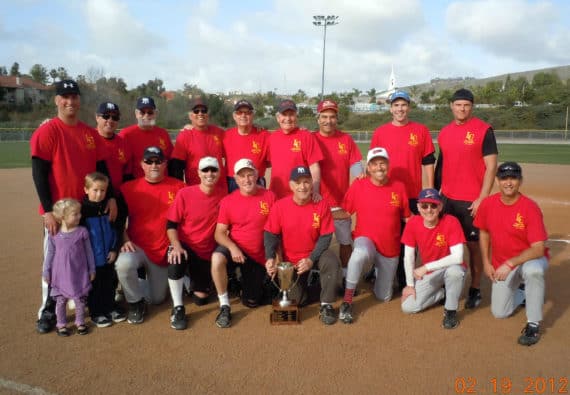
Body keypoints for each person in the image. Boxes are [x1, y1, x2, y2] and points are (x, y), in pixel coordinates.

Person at [30, 79, 115, 334]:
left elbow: (101, 169)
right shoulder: (48, 131)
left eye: (74, 96)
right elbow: (39, 173)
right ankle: (47, 309)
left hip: (86, 209)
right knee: (55, 261)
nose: (70, 101)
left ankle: (84, 299)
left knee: (84, 259)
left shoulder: (89, 133)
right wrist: (47, 211)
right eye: (64, 96)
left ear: (79, 100)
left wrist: (110, 196)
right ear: (57, 100)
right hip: (60, 212)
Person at [474, 162, 549, 346]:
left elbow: (539, 248)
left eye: (513, 178)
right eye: (504, 178)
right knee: (500, 312)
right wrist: (486, 262)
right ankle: (523, 291)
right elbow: (483, 232)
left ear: (520, 181)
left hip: (530, 259)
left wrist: (510, 264)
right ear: (497, 181)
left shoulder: (530, 208)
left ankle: (533, 324)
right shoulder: (488, 204)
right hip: (502, 263)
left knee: (533, 272)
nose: (509, 182)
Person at [435, 88, 498, 310]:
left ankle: (475, 288)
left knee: (474, 247)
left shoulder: (483, 130)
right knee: (445, 244)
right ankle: (444, 286)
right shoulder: (444, 132)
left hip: (472, 201)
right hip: (448, 199)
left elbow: (491, 166)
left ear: (472, 107)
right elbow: (440, 166)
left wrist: (482, 198)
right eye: (458, 104)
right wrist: (436, 194)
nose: (462, 108)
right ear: (451, 106)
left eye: (467, 105)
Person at [336, 147, 411, 324]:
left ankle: (376, 272)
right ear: (368, 168)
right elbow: (346, 212)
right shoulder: (359, 185)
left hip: (389, 248)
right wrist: (320, 212)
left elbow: (407, 217)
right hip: (366, 240)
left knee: (383, 296)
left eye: (383, 163)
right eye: (375, 164)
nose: (379, 167)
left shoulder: (398, 187)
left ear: (388, 165)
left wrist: (431, 225)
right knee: (359, 254)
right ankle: (347, 300)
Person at [370, 90, 436, 290]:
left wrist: (431, 190)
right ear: (390, 108)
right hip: (385, 192)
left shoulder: (421, 130)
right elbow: (372, 163)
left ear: (409, 107)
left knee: (409, 238)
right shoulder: (380, 132)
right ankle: (378, 270)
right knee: (386, 232)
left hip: (412, 193)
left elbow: (428, 162)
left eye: (403, 105)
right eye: (396, 105)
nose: (400, 109)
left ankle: (404, 276)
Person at [115, 147, 184, 324]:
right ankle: (135, 303)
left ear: (165, 164)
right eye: (149, 161)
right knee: (123, 264)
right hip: (136, 246)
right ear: (141, 164)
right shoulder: (128, 188)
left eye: (158, 161)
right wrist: (124, 238)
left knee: (158, 299)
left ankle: (138, 283)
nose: (154, 165)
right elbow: (117, 220)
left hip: (161, 250)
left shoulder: (178, 187)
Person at [264, 166, 340, 325]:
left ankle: (326, 305)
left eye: (306, 181)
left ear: (312, 183)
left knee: (331, 260)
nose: (303, 186)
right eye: (298, 182)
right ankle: (324, 286)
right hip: (290, 261)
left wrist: (311, 259)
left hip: (314, 255)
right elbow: (270, 234)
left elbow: (326, 237)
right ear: (291, 185)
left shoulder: (321, 205)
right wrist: (270, 258)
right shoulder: (280, 206)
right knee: (299, 299)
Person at [211, 158, 276, 328]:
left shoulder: (269, 196)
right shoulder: (228, 201)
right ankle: (224, 305)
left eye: (250, 174)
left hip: (258, 255)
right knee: (217, 258)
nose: (246, 180)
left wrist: (275, 256)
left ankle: (241, 281)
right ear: (235, 179)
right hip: (237, 249)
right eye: (242, 176)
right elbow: (219, 233)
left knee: (252, 301)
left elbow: (277, 230)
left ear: (256, 175)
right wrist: (232, 247)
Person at [166, 156, 226, 330]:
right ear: (198, 173)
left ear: (219, 173)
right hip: (186, 246)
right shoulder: (185, 193)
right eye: (205, 170)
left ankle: (187, 279)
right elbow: (171, 225)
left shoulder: (223, 194)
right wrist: (176, 244)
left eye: (213, 170)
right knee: (175, 256)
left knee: (201, 299)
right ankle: (178, 307)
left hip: (206, 251)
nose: (209, 173)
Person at [400, 188, 466, 329]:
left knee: (454, 272)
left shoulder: (451, 221)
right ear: (418, 207)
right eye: (424, 205)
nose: (429, 210)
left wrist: (426, 267)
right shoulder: (413, 223)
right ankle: (441, 294)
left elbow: (458, 257)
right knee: (408, 307)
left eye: (433, 205)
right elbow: (409, 256)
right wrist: (410, 285)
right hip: (432, 274)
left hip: (451, 268)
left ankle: (450, 311)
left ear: (440, 206)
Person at [313, 99, 364, 269]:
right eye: (324, 116)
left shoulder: (345, 139)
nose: (328, 120)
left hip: (340, 204)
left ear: (337, 118)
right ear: (318, 119)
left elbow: (356, 165)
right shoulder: (310, 139)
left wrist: (361, 178)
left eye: (332, 116)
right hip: (315, 202)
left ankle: (345, 276)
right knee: (314, 243)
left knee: (345, 242)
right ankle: (314, 276)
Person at [42, 198, 96, 336]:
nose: (80, 216)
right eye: (75, 214)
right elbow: (50, 254)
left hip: (79, 273)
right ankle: (61, 324)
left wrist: (92, 269)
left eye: (79, 213)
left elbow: (89, 252)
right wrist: (46, 271)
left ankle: (80, 322)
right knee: (60, 301)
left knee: (80, 300)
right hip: (60, 274)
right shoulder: (54, 235)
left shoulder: (82, 232)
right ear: (62, 217)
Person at [81, 172, 126, 327]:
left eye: (103, 191)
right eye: (95, 190)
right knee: (94, 285)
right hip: (91, 258)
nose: (99, 194)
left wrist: (114, 249)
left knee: (109, 281)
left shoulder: (109, 207)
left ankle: (110, 306)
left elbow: (117, 230)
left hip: (108, 254)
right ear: (86, 189)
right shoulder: (82, 211)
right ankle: (96, 312)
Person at [268, 99, 323, 200]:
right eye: (284, 114)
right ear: (278, 118)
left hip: (300, 195)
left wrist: (315, 190)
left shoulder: (306, 136)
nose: (288, 118)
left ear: (296, 116)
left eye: (291, 114)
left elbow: (314, 167)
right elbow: (267, 163)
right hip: (277, 195)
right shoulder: (272, 138)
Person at [169, 97, 227, 191]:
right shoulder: (185, 136)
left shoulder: (219, 133)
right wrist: (180, 191)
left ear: (208, 114)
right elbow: (176, 168)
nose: (200, 113)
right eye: (196, 111)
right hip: (196, 191)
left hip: (220, 191)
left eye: (204, 111)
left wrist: (254, 128)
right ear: (190, 116)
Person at [120, 96, 173, 179]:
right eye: (142, 112)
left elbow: (170, 161)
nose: (146, 115)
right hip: (137, 185)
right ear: (136, 114)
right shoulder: (126, 134)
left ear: (155, 114)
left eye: (150, 112)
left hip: (163, 185)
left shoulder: (163, 133)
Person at [223, 100, 270, 193]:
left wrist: (298, 130)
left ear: (252, 115)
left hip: (256, 182)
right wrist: (189, 127)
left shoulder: (265, 135)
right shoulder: (225, 135)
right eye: (239, 112)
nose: (243, 115)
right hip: (232, 182)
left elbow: (271, 162)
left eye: (247, 112)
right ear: (234, 116)